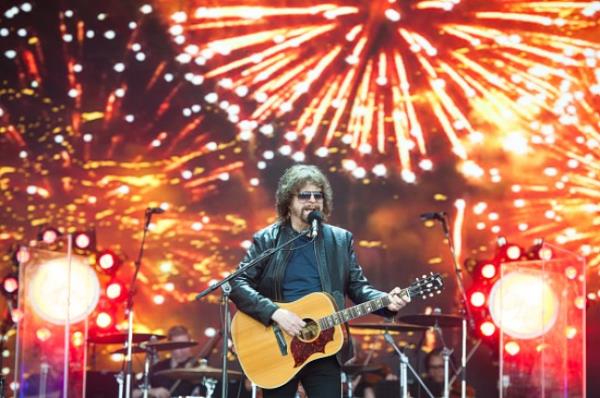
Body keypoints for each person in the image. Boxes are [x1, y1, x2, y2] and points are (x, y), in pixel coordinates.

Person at [230, 164, 410, 398]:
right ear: (288, 201)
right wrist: (275, 313)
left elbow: (357, 286)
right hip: (277, 348)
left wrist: (386, 301)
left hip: (323, 345)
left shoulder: (339, 240)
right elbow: (237, 283)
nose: (313, 201)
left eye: (318, 196)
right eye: (305, 195)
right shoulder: (268, 239)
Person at [132, 325, 201, 398]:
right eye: (177, 345)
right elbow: (133, 392)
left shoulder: (198, 367)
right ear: (169, 345)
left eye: (185, 344)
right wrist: (153, 391)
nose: (182, 348)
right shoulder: (159, 367)